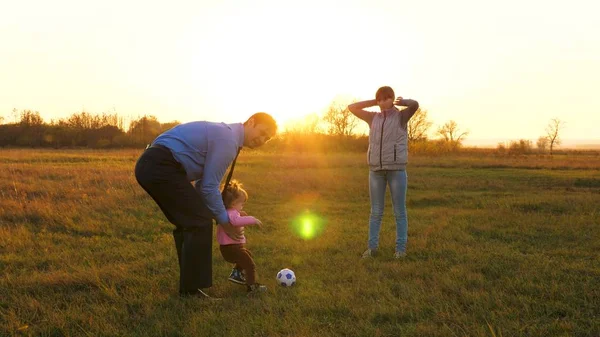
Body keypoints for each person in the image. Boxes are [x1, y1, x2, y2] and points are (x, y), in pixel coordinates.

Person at [134, 113, 277, 298]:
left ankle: (189, 288)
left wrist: (216, 212)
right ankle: (191, 291)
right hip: (161, 166)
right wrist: (225, 221)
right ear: (251, 122)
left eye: (267, 138)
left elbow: (202, 185)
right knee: (199, 221)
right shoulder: (228, 140)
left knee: (190, 222)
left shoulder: (227, 135)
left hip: (152, 164)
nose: (263, 140)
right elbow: (209, 187)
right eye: (263, 132)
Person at [348, 86, 419, 259]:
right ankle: (372, 249)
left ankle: (400, 250)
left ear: (392, 98)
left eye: (385, 98)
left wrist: (403, 103)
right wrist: (373, 101)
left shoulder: (401, 116)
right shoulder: (373, 118)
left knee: (399, 212)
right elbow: (352, 107)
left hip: (396, 170)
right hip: (375, 171)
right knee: (376, 212)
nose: (382, 102)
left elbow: (415, 105)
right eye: (379, 99)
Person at [215, 179, 266, 295]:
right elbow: (236, 221)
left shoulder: (228, 211)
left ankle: (237, 274)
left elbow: (235, 217)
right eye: (242, 204)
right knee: (249, 265)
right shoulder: (231, 213)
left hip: (230, 248)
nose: (242, 206)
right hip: (231, 248)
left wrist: (240, 213)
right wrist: (253, 220)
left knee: (248, 255)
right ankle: (252, 287)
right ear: (233, 204)